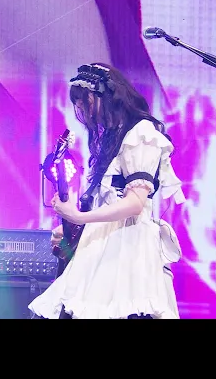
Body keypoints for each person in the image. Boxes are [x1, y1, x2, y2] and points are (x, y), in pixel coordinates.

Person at [29, 62, 185, 319]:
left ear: (106, 96)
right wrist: (75, 228)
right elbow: (108, 201)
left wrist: (79, 217)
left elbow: (135, 203)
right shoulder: (115, 137)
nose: (82, 110)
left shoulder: (141, 133)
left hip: (127, 249)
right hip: (106, 245)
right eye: (78, 104)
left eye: (85, 102)